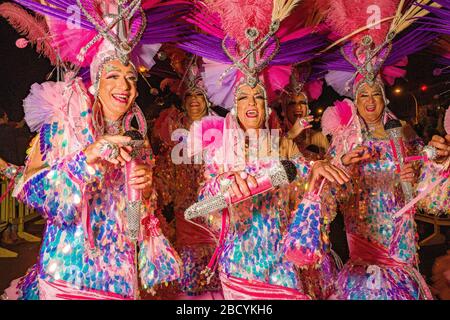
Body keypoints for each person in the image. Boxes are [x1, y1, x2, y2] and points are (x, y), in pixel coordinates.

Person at [1, 0, 189, 300]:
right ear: (97, 82)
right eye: (113, 75)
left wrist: (142, 194)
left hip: (120, 282)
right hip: (68, 278)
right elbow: (33, 191)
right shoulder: (63, 126)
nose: (124, 86)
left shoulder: (137, 140)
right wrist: (87, 158)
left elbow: (131, 230)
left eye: (130, 77)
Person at [180, 0, 349, 299]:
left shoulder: (281, 145)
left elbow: (307, 196)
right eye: (244, 98)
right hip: (240, 267)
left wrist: (318, 176)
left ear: (266, 105)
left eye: (257, 98)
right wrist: (227, 187)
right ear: (234, 105)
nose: (251, 104)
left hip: (281, 264)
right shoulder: (220, 148)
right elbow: (201, 208)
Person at [317, 0, 449, 299]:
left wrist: (423, 168)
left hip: (401, 238)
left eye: (376, 93)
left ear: (384, 97)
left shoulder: (401, 131)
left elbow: (426, 188)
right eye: (363, 94)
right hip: (364, 242)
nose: (371, 100)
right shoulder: (344, 140)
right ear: (355, 99)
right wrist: (342, 166)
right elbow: (328, 197)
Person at [153, 52, 222, 298]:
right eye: (190, 95)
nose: (194, 100)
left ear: (207, 101)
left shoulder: (221, 129)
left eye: (199, 96)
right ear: (183, 100)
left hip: (217, 217)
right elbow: (164, 177)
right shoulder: (172, 129)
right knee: (191, 289)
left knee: (220, 283)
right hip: (187, 219)